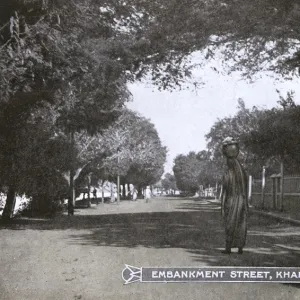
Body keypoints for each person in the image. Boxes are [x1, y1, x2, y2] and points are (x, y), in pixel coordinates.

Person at [221, 137, 249, 254]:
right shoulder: (241, 169)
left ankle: (228, 248)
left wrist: (222, 202)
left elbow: (226, 187)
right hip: (242, 199)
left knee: (230, 222)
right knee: (241, 222)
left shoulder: (229, 169)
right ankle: (240, 248)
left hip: (232, 200)